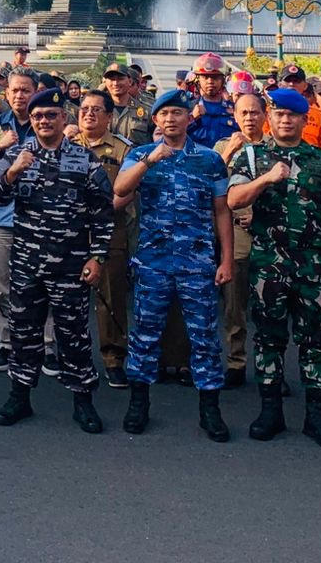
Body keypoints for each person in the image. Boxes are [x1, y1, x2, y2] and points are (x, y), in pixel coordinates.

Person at [226, 86, 321, 451]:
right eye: (278, 113)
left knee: (316, 341)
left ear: (303, 119)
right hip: (270, 264)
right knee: (268, 339)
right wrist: (266, 179)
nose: (284, 120)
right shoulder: (251, 156)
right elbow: (233, 199)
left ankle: (317, 416)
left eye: (292, 115)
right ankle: (271, 411)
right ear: (270, 115)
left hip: (314, 266)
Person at [0, 86, 113, 433]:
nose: (44, 121)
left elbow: (102, 213)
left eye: (51, 115)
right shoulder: (17, 153)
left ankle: (83, 402)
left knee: (73, 334)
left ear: (63, 119)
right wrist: (13, 172)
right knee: (23, 332)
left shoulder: (83, 158)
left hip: (70, 264)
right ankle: (19, 397)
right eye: (38, 116)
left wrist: (98, 257)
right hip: (27, 263)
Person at [114, 89, 232, 441]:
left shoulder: (210, 160)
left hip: (197, 264)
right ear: (155, 120)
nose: (170, 119)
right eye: (164, 114)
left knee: (205, 338)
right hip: (153, 263)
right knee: (145, 335)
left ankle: (210, 410)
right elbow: (119, 193)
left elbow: (222, 210)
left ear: (189, 118)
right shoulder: (139, 154)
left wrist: (226, 259)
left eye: (177, 113)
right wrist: (150, 160)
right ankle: (139, 404)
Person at [0, 68, 38, 374]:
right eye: (14, 90)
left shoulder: (46, 121)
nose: (19, 96)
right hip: (1, 216)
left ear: (35, 92)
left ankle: (48, 346)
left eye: (25, 90)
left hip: (40, 216)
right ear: (6, 92)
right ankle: (7, 343)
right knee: (2, 285)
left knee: (43, 284)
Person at [72, 90, 133, 388]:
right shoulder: (66, 145)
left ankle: (113, 358)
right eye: (84, 108)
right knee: (68, 298)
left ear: (110, 117)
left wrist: (99, 214)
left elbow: (127, 191)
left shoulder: (122, 150)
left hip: (109, 231)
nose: (89, 114)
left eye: (97, 110)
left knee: (110, 297)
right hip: (69, 233)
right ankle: (72, 356)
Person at [214, 90, 267, 388]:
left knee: (267, 303)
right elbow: (209, 181)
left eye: (255, 112)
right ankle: (236, 360)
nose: (249, 118)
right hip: (234, 232)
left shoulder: (274, 147)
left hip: (268, 231)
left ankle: (268, 363)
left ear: (264, 115)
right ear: (235, 116)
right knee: (235, 304)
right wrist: (228, 153)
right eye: (243, 113)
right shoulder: (224, 145)